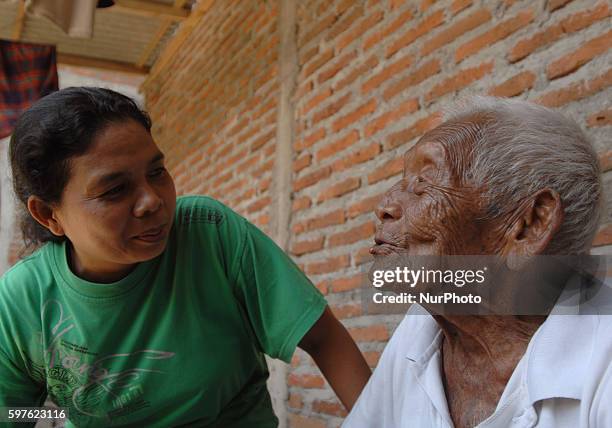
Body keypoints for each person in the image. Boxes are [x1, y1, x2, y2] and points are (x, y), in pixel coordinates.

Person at [0, 87, 371, 427]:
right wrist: (59, 412)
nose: (153, 201)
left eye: (157, 172)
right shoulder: (22, 300)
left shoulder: (208, 233)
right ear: (49, 215)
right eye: (115, 190)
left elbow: (324, 338)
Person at [343, 96, 612, 428]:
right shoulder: (421, 328)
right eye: (402, 183)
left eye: (423, 185)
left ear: (529, 224)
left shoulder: (604, 362)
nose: (385, 206)